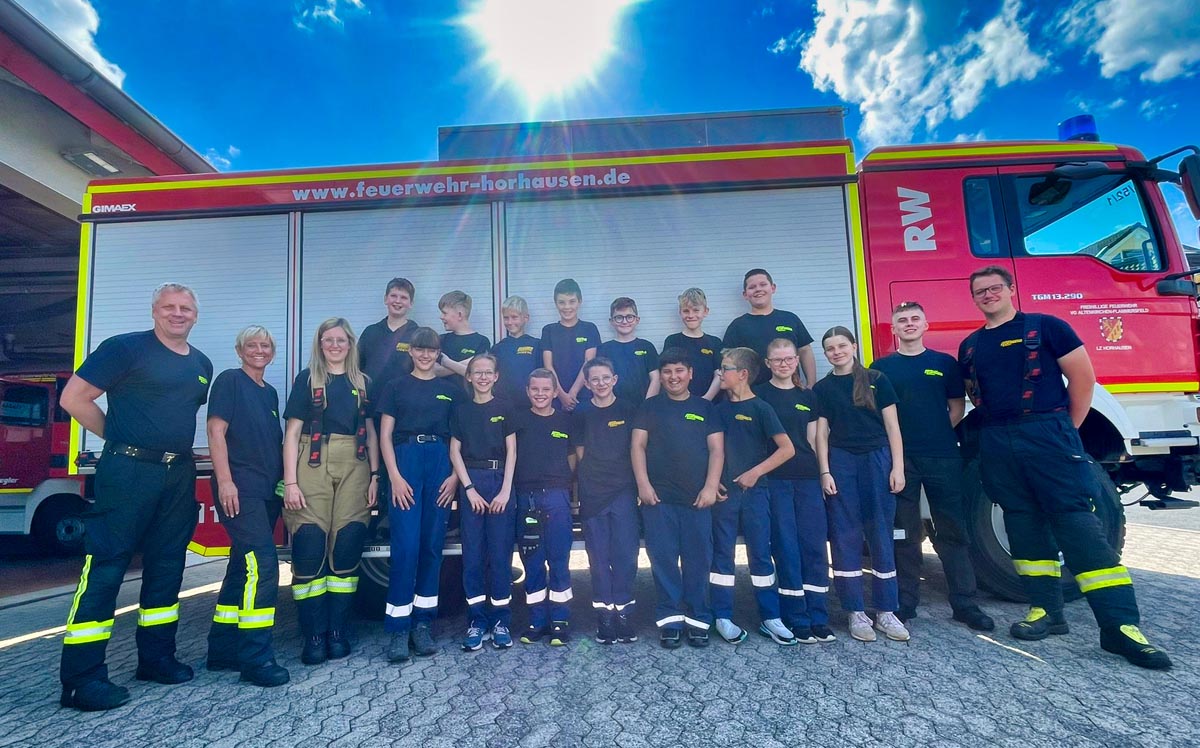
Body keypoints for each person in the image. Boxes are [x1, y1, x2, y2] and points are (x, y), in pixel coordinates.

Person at [959, 266, 1170, 669]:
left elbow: (1083, 378)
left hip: (1047, 434)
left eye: (993, 288)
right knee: (1022, 525)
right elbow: (974, 393)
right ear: (974, 298)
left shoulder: (1047, 327)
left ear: (1010, 290)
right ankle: (1046, 612)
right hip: (999, 439)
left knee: (1076, 524)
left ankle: (1121, 627)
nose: (987, 295)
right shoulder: (971, 346)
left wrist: (1064, 431)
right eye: (980, 291)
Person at [58, 282, 213, 712]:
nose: (177, 313)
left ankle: (157, 659)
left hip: (178, 472)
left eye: (185, 307)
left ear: (195, 315)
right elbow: (74, 398)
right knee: (107, 567)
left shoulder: (202, 364)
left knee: (168, 566)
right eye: (169, 307)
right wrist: (120, 437)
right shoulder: (124, 349)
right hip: (127, 472)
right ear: (154, 311)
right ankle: (82, 679)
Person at [871, 302, 993, 631]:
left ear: (926, 325)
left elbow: (956, 407)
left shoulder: (944, 364)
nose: (909, 324)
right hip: (901, 461)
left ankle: (965, 602)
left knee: (953, 529)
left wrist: (937, 432)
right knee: (905, 532)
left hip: (943, 457)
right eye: (902, 321)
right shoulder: (880, 369)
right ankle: (906, 600)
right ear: (893, 329)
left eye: (914, 319)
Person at [282, 318, 379, 666]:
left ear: (351, 343)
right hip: (312, 462)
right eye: (328, 340)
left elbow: (371, 430)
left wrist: (375, 476)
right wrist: (290, 482)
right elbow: (292, 433)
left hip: (356, 463)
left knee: (348, 544)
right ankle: (313, 636)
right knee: (309, 546)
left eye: (341, 340)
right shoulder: (307, 380)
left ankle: (337, 632)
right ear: (319, 344)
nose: (335, 345)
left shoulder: (364, 384)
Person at [204, 325, 290, 687]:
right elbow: (215, 432)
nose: (259, 350)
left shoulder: (268, 392)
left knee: (241, 566)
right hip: (240, 490)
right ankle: (255, 658)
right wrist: (225, 481)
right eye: (252, 345)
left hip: (266, 492)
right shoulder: (229, 381)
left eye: (265, 345)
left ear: (272, 352)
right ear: (240, 350)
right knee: (263, 565)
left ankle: (222, 649)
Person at [813, 326, 909, 643]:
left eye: (841, 345)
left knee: (880, 532)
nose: (836, 352)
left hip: (878, 459)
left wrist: (897, 467)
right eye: (830, 348)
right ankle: (855, 611)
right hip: (842, 462)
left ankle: (886, 611)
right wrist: (825, 471)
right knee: (845, 535)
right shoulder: (823, 388)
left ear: (854, 346)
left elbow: (893, 427)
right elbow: (822, 435)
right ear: (825, 353)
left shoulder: (877, 380)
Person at [377, 327, 463, 663]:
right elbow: (385, 436)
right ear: (411, 352)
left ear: (438, 353)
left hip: (440, 464)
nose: (425, 355)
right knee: (406, 547)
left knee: (432, 546)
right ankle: (398, 628)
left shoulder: (450, 391)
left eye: (432, 351)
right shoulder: (395, 387)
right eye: (420, 350)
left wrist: (455, 476)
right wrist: (395, 477)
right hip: (406, 463)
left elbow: (460, 437)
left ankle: (422, 625)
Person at [632, 348, 724, 649]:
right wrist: (643, 486)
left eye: (680, 371)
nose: (674, 377)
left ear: (690, 374)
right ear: (661, 375)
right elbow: (638, 447)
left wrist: (711, 487)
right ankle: (670, 620)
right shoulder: (649, 407)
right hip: (658, 500)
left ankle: (698, 620)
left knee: (698, 560)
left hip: (697, 500)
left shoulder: (705, 407)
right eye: (668, 372)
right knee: (664, 561)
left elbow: (717, 450)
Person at [711, 347, 797, 645]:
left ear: (743, 374)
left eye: (726, 368)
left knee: (760, 554)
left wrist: (755, 472)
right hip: (725, 496)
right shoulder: (718, 410)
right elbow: (710, 451)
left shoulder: (761, 408)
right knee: (722, 554)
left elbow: (787, 449)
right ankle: (722, 616)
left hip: (755, 493)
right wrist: (713, 483)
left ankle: (770, 617)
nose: (721, 373)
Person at [754, 337, 835, 644]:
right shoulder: (759, 396)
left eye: (789, 359)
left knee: (814, 547)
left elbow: (817, 440)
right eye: (778, 360)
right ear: (767, 364)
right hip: (775, 481)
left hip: (808, 479)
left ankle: (818, 616)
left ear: (797, 361)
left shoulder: (809, 397)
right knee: (786, 548)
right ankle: (796, 617)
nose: (785, 364)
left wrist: (824, 472)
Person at [448, 353, 518, 651]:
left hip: (500, 481)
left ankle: (501, 621)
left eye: (488, 372)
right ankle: (477, 621)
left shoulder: (506, 408)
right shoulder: (461, 411)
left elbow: (512, 452)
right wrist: (469, 489)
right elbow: (455, 453)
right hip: (473, 485)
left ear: (496, 376)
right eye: (477, 372)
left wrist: (505, 491)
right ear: (469, 376)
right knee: (473, 556)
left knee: (500, 556)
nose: (483, 377)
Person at [510, 368, 578, 645]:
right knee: (534, 562)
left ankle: (560, 621)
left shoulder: (566, 421)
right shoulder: (518, 420)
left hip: (557, 497)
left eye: (545, 389)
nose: (540, 394)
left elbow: (574, 458)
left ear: (554, 392)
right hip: (526, 498)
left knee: (559, 560)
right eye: (535, 389)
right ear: (528, 391)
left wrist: (561, 483)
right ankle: (537, 621)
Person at [575, 358, 640, 644]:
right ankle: (604, 617)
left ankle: (624, 613)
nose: (600, 383)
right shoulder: (581, 412)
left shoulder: (628, 409)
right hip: (594, 494)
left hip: (624, 491)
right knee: (598, 559)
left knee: (626, 556)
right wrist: (590, 483)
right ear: (587, 384)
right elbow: (579, 454)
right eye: (594, 379)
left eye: (606, 378)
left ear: (615, 379)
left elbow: (638, 449)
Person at [723, 268, 816, 387]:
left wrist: (811, 384)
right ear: (745, 295)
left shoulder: (790, 319)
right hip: (752, 395)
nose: (758, 289)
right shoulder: (737, 326)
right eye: (752, 287)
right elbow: (728, 362)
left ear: (773, 288)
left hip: (790, 392)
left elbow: (805, 351)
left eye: (763, 284)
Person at [541, 278, 600, 412]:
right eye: (562, 302)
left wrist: (572, 393)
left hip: (584, 398)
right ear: (555, 303)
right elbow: (548, 366)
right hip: (555, 399)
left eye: (572, 301)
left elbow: (588, 363)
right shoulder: (548, 331)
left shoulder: (589, 329)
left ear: (579, 301)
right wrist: (561, 395)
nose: (567, 307)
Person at [358, 277, 419, 393]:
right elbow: (355, 367)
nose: (398, 301)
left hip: (405, 400)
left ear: (411, 303)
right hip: (371, 400)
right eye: (393, 296)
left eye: (404, 297)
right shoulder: (370, 332)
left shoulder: (417, 334)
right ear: (386, 299)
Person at [663, 287, 722, 400]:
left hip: (709, 403)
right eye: (686, 311)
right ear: (680, 312)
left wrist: (705, 400)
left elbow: (719, 375)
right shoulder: (672, 341)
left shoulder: (715, 342)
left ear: (705, 311)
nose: (691, 315)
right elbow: (668, 374)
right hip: (679, 402)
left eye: (696, 310)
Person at [596, 297, 660, 402]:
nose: (624, 321)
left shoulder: (647, 347)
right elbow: (600, 381)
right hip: (613, 409)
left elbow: (655, 378)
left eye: (629, 317)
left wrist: (647, 406)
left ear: (637, 320)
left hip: (643, 408)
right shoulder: (603, 350)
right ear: (611, 321)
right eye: (619, 317)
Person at [492, 295, 540, 408]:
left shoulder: (537, 344)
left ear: (526, 318)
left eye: (514, 317)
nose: (510, 322)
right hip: (504, 405)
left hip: (531, 405)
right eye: (506, 318)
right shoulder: (497, 348)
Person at [437, 290, 491, 389]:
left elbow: (479, 375)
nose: (441, 317)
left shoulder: (482, 342)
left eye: (444, 313)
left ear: (460, 315)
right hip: (444, 400)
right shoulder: (441, 340)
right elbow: (435, 371)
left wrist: (447, 362)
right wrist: (468, 365)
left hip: (469, 400)